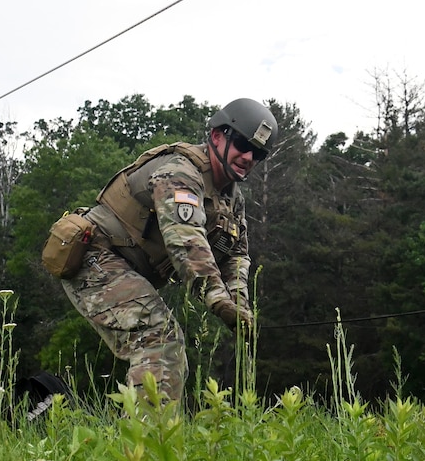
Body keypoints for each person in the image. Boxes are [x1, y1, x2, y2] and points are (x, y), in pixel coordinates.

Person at [54, 98, 278, 404]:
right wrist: (218, 300)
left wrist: (240, 304)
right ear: (216, 136)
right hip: (96, 256)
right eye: (242, 143)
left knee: (167, 347)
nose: (249, 156)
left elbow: (237, 255)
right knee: (159, 342)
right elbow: (185, 241)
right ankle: (145, 444)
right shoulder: (180, 172)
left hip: (126, 269)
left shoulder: (231, 198)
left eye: (259, 153)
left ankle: (147, 436)